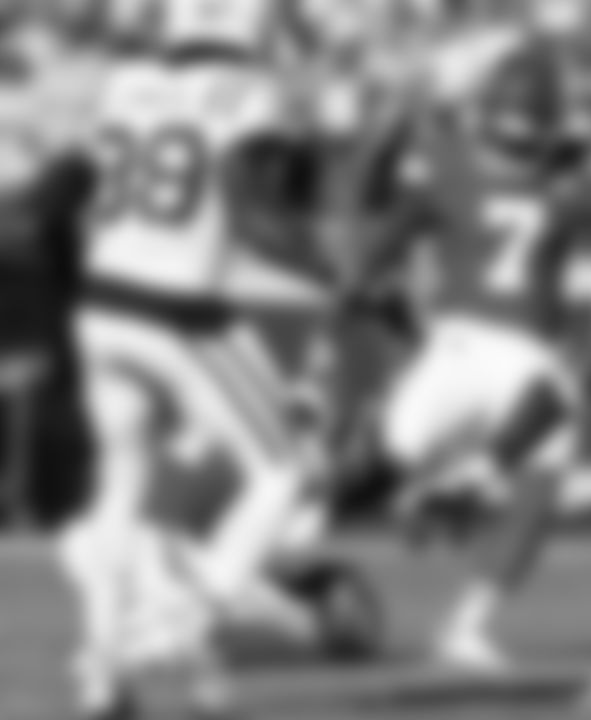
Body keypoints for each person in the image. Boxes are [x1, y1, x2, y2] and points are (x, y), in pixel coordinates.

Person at [58, 0, 335, 716]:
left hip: (99, 297)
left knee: (120, 483)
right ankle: (184, 616)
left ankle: (101, 674)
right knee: (285, 469)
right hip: (176, 304)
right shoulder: (249, 90)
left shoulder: (124, 80)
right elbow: (253, 204)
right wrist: (328, 269)